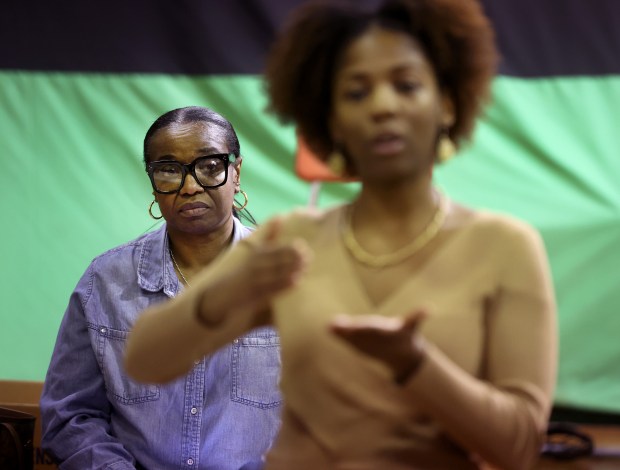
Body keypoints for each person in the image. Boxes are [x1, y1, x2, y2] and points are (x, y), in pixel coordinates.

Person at [124, 1, 558, 469]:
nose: (382, 105)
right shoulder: (291, 240)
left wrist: (415, 363)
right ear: (331, 122)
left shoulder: (505, 246)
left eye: (406, 84)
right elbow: (145, 363)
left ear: (447, 104)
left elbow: (518, 447)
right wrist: (223, 293)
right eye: (356, 92)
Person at [40, 106, 282, 470]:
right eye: (169, 170)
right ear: (153, 181)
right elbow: (71, 415)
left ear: (236, 172)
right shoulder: (105, 282)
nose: (190, 186)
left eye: (210, 166)